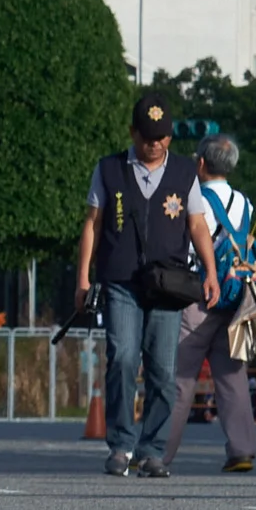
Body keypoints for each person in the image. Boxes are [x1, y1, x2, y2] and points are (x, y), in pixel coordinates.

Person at [74, 88, 220, 479]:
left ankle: (151, 450)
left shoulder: (184, 172)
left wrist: (210, 271)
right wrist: (83, 278)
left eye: (162, 137)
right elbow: (93, 224)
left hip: (169, 284)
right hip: (121, 280)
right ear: (132, 132)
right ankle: (120, 445)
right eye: (147, 136)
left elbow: (197, 225)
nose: (155, 144)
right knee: (122, 357)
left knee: (162, 370)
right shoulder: (109, 169)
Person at [162, 135, 256, 473]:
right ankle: (242, 449)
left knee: (180, 378)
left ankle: (160, 451)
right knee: (232, 375)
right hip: (235, 298)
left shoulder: (194, 200)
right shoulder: (244, 202)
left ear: (201, 163)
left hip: (198, 296)